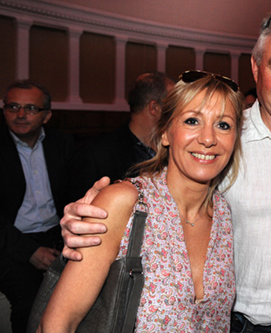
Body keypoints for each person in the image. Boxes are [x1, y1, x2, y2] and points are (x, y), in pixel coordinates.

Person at [59, 9, 271, 333]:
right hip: (241, 325)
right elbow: (158, 192)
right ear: (255, 67)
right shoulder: (223, 136)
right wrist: (93, 218)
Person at [40, 71, 243, 332]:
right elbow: (58, 323)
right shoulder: (124, 202)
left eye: (223, 125)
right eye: (192, 121)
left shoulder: (224, 213)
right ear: (166, 133)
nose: (208, 138)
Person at [0, 80, 74, 333]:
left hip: (58, 233)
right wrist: (29, 251)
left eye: (31, 108)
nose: (21, 115)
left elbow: (76, 195)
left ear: (47, 115)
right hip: (10, 241)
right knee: (31, 303)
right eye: (13, 106)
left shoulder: (63, 144)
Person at [69, 72, 174, 199]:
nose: (178, 110)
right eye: (173, 104)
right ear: (154, 108)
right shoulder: (96, 154)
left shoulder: (174, 147)